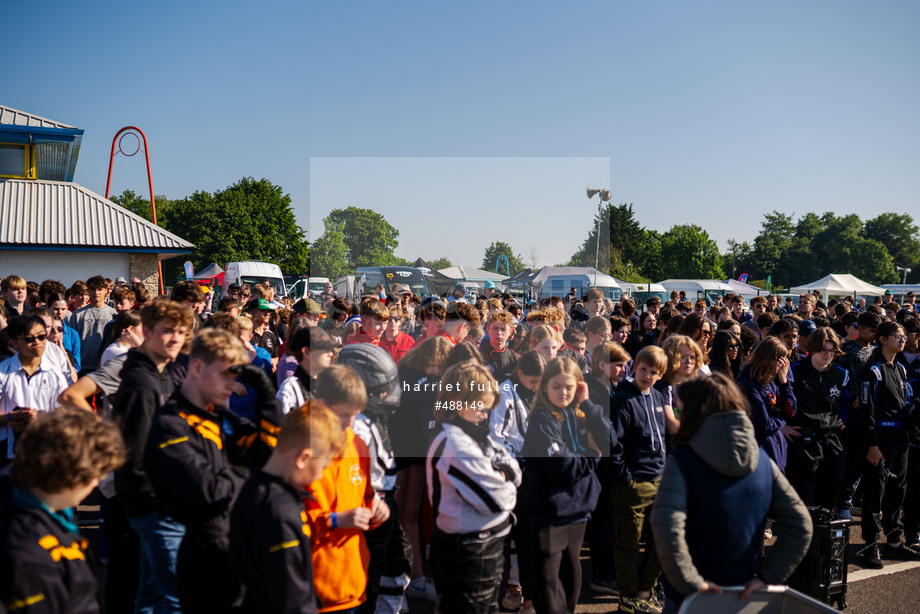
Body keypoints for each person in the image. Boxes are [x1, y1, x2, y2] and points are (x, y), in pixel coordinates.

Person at [650, 373, 813, 614]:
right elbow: (800, 523)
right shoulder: (762, 461)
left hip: (690, 597)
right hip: (743, 591)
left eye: (681, 409)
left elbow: (665, 527)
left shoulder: (683, 461)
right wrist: (769, 577)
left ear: (696, 412)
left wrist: (691, 582)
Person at [143, 329, 255, 613]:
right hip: (197, 551)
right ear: (196, 367)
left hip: (231, 545)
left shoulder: (220, 415)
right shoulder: (170, 424)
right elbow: (209, 492)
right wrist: (247, 468)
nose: (232, 385)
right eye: (225, 374)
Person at [0, 408, 125, 614]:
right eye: (93, 475)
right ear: (68, 474)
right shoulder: (29, 556)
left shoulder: (52, 513)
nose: (95, 483)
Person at [229, 402, 345, 614]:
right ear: (304, 458)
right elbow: (292, 599)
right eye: (322, 467)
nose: (320, 476)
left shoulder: (252, 487)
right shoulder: (280, 514)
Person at [427, 363, 521, 614]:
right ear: (457, 402)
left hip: (485, 546)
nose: (486, 414)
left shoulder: (475, 436)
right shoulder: (455, 445)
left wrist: (504, 474)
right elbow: (497, 500)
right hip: (466, 552)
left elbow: (512, 465)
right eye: (480, 407)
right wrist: (507, 479)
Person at [521, 357, 607, 614]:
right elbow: (562, 466)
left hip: (579, 509)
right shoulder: (541, 419)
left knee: (572, 576)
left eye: (569, 386)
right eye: (557, 386)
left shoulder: (583, 412)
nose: (563, 392)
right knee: (548, 581)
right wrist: (593, 456)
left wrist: (589, 405)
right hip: (549, 513)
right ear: (545, 386)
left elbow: (611, 440)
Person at [306, 365, 390, 613]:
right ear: (320, 404)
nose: (349, 423)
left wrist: (375, 509)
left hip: (352, 581)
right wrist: (333, 521)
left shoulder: (357, 444)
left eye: (355, 415)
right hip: (314, 586)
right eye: (343, 415)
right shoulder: (301, 449)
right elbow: (282, 520)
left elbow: (363, 498)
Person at [609, 346, 670, 614]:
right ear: (635, 368)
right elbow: (613, 444)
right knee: (628, 543)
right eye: (643, 369)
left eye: (653, 372)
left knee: (661, 541)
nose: (647, 375)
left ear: (660, 375)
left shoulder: (658, 396)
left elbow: (664, 438)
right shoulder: (622, 399)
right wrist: (626, 478)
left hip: (659, 481)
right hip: (633, 484)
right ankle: (628, 597)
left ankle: (646, 591)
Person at [858, 321, 920, 568]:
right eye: (898, 335)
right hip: (880, 440)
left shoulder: (901, 369)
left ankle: (893, 542)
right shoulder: (872, 370)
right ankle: (870, 545)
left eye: (904, 335)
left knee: (898, 492)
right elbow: (866, 410)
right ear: (883, 339)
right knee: (875, 493)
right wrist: (872, 444)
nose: (903, 339)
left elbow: (904, 404)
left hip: (901, 440)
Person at [786, 327, 850, 509]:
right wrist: (783, 426)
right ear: (813, 349)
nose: (828, 355)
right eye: (824, 350)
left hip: (831, 438)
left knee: (830, 489)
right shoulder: (794, 371)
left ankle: (825, 531)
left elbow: (846, 402)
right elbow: (780, 402)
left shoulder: (841, 374)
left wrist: (843, 419)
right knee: (803, 491)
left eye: (832, 351)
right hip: (803, 438)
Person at [0, 315, 69, 465]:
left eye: (42, 337)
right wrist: (12, 417)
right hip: (6, 452)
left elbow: (64, 413)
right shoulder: (2, 372)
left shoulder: (55, 375)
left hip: (44, 450)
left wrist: (40, 418)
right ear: (15, 343)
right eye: (29, 339)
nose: (37, 343)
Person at [276, 327, 337, 413]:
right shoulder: (291, 389)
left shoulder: (329, 383)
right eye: (325, 349)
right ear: (306, 352)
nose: (331, 354)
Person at [69, 275, 116, 374]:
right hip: (82, 366)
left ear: (106, 291)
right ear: (88, 290)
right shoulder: (78, 314)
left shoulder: (113, 314)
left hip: (105, 366)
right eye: (93, 289)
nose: (96, 293)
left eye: (100, 289)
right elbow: (71, 342)